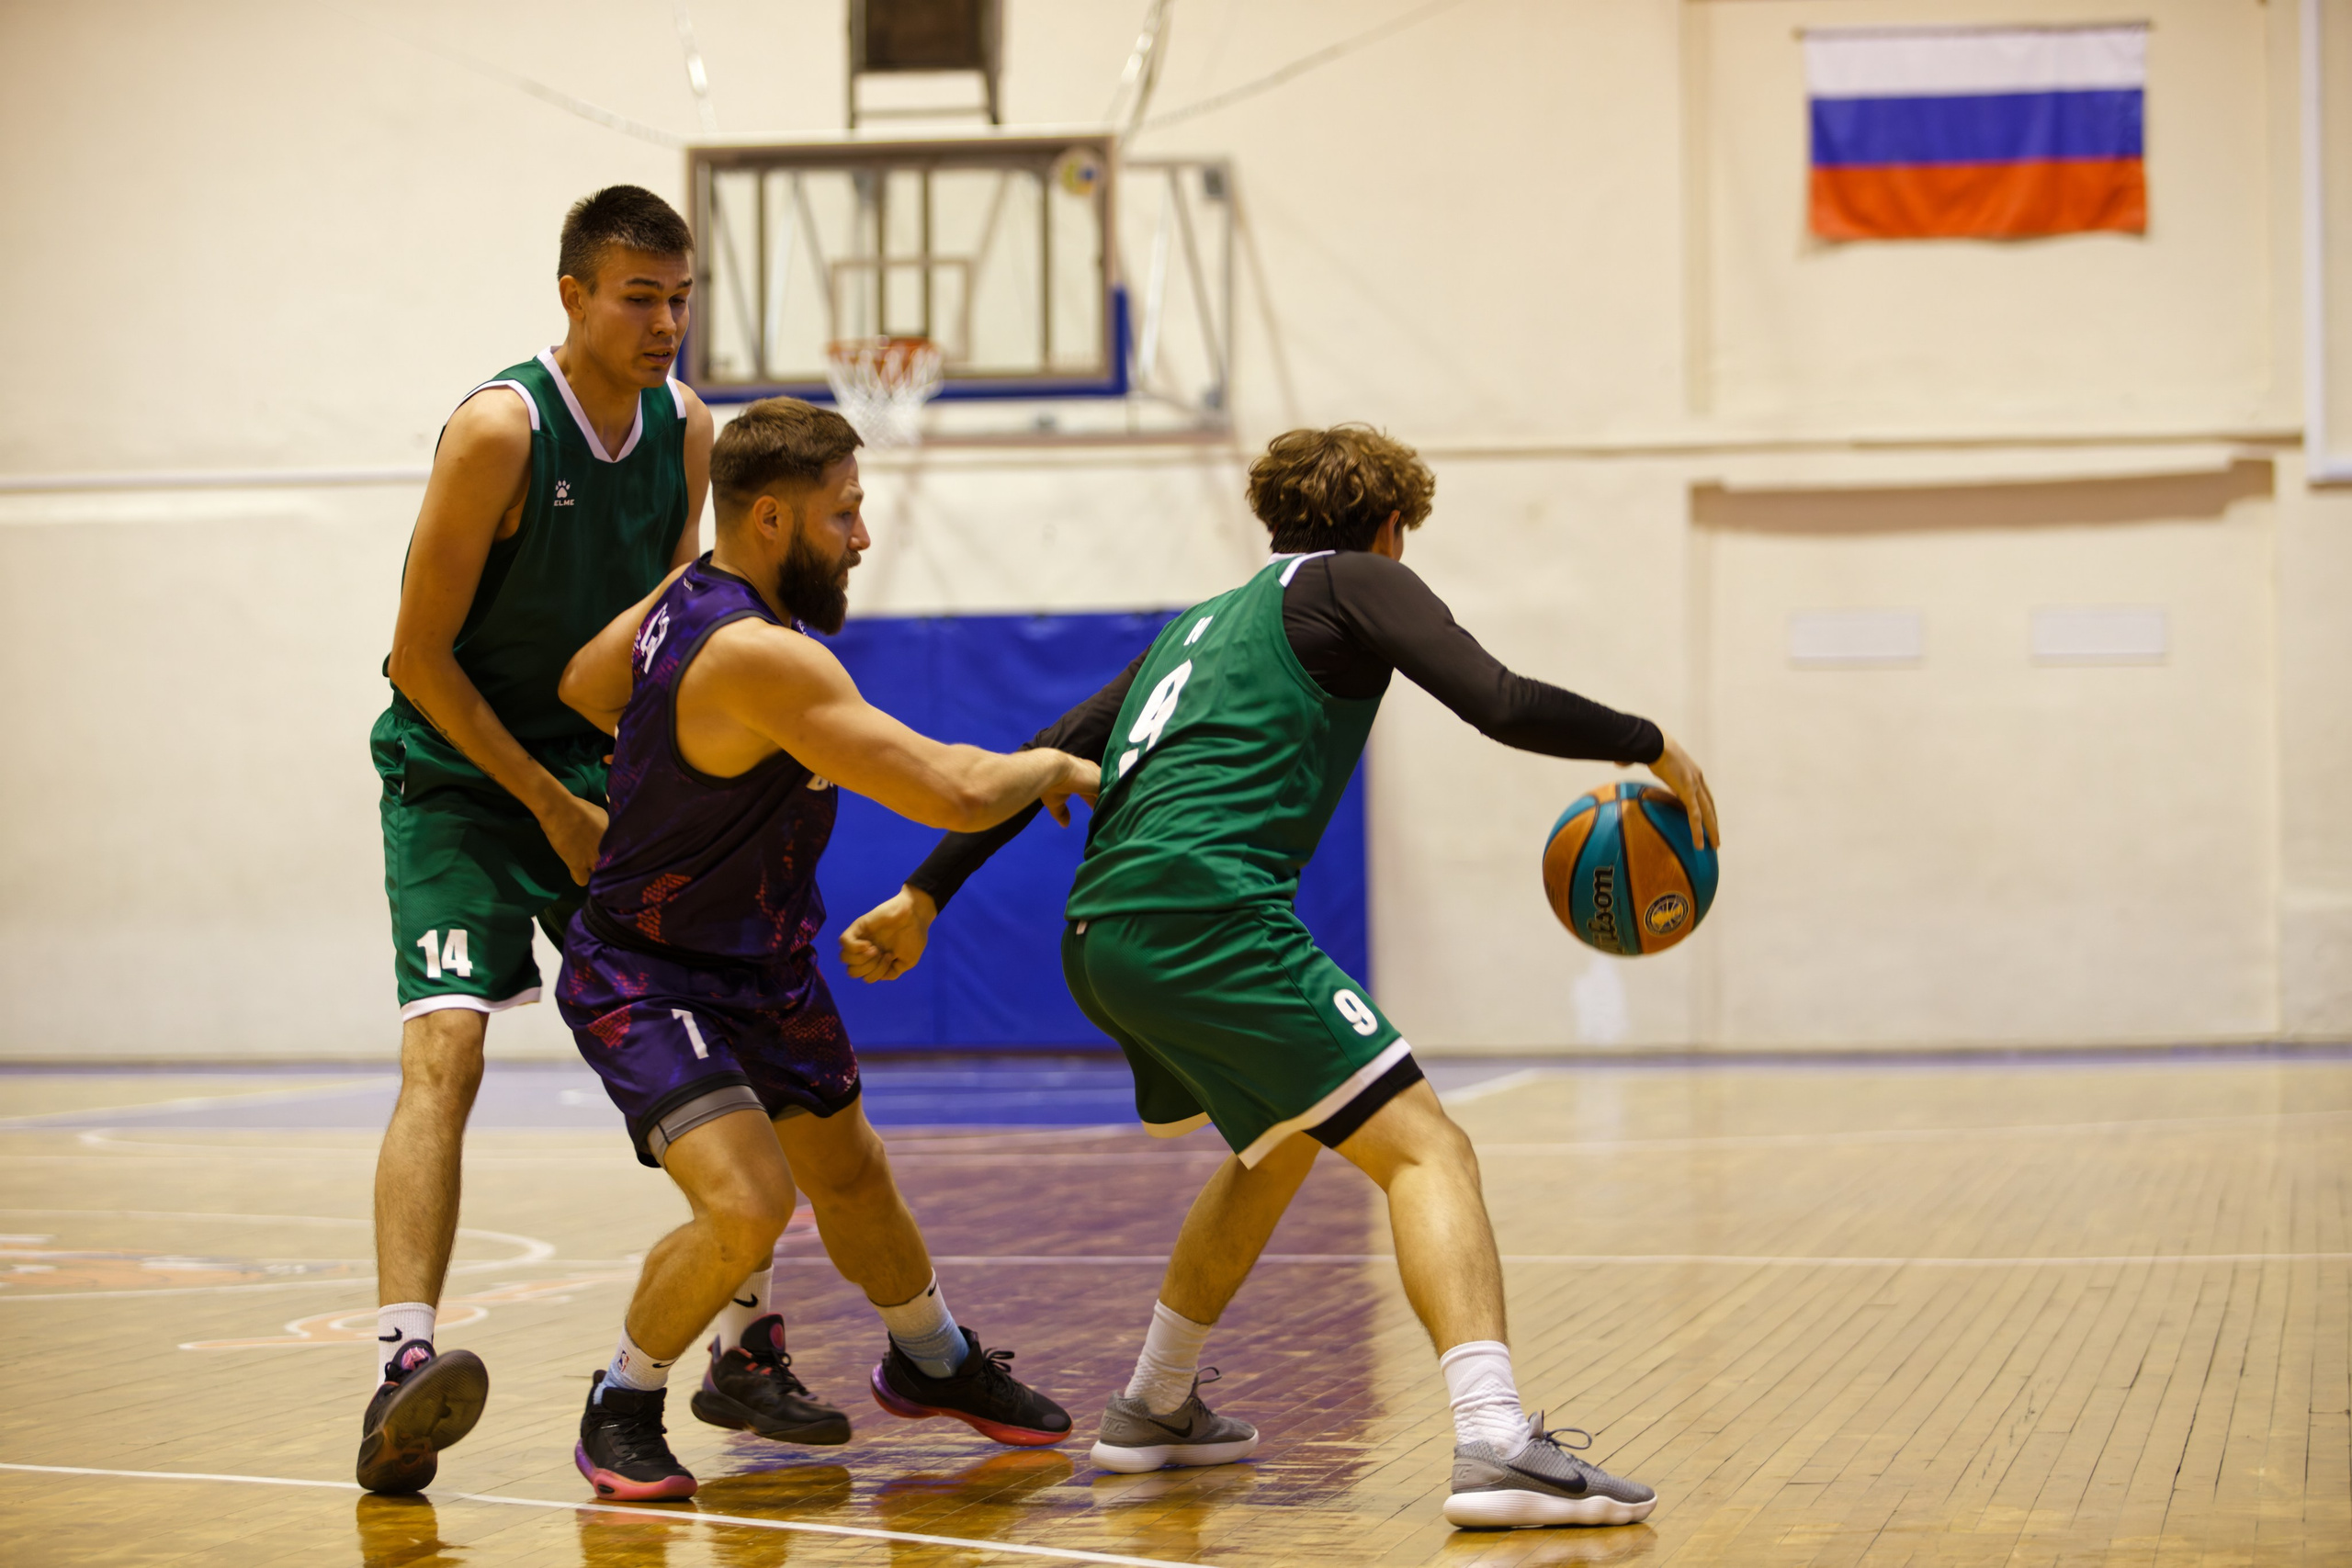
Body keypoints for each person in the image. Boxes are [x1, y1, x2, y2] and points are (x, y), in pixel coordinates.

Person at [842, 424, 1720, 1530]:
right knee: (1431, 1151)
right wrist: (1646, 740)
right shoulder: (1359, 579)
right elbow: (1495, 699)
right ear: (1389, 526)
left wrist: (925, 893)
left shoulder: (1198, 626)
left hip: (1101, 931)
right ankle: (1495, 1440)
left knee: (1281, 1140)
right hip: (1206, 915)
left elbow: (1045, 746)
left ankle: (1155, 1404)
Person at [550, 398, 1097, 1502]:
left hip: (763, 964)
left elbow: (585, 686)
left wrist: (678, 767)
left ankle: (932, 1358)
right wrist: (1053, 766)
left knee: (852, 1175)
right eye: (843, 513)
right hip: (649, 975)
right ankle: (621, 1403)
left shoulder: (690, 601)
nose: (861, 536)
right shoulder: (761, 656)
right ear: (769, 519)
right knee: (749, 1203)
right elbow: (952, 790)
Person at [360, 186, 713, 1495]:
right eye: (639, 297)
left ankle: (747, 1336)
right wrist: (547, 801)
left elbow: (666, 629)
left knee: (704, 1028)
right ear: (573, 295)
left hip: (590, 767)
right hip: (455, 769)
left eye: (680, 299)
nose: (665, 323)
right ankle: (402, 1362)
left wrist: (655, 786)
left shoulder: (687, 429)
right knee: (446, 1048)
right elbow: (417, 656)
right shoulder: (499, 430)